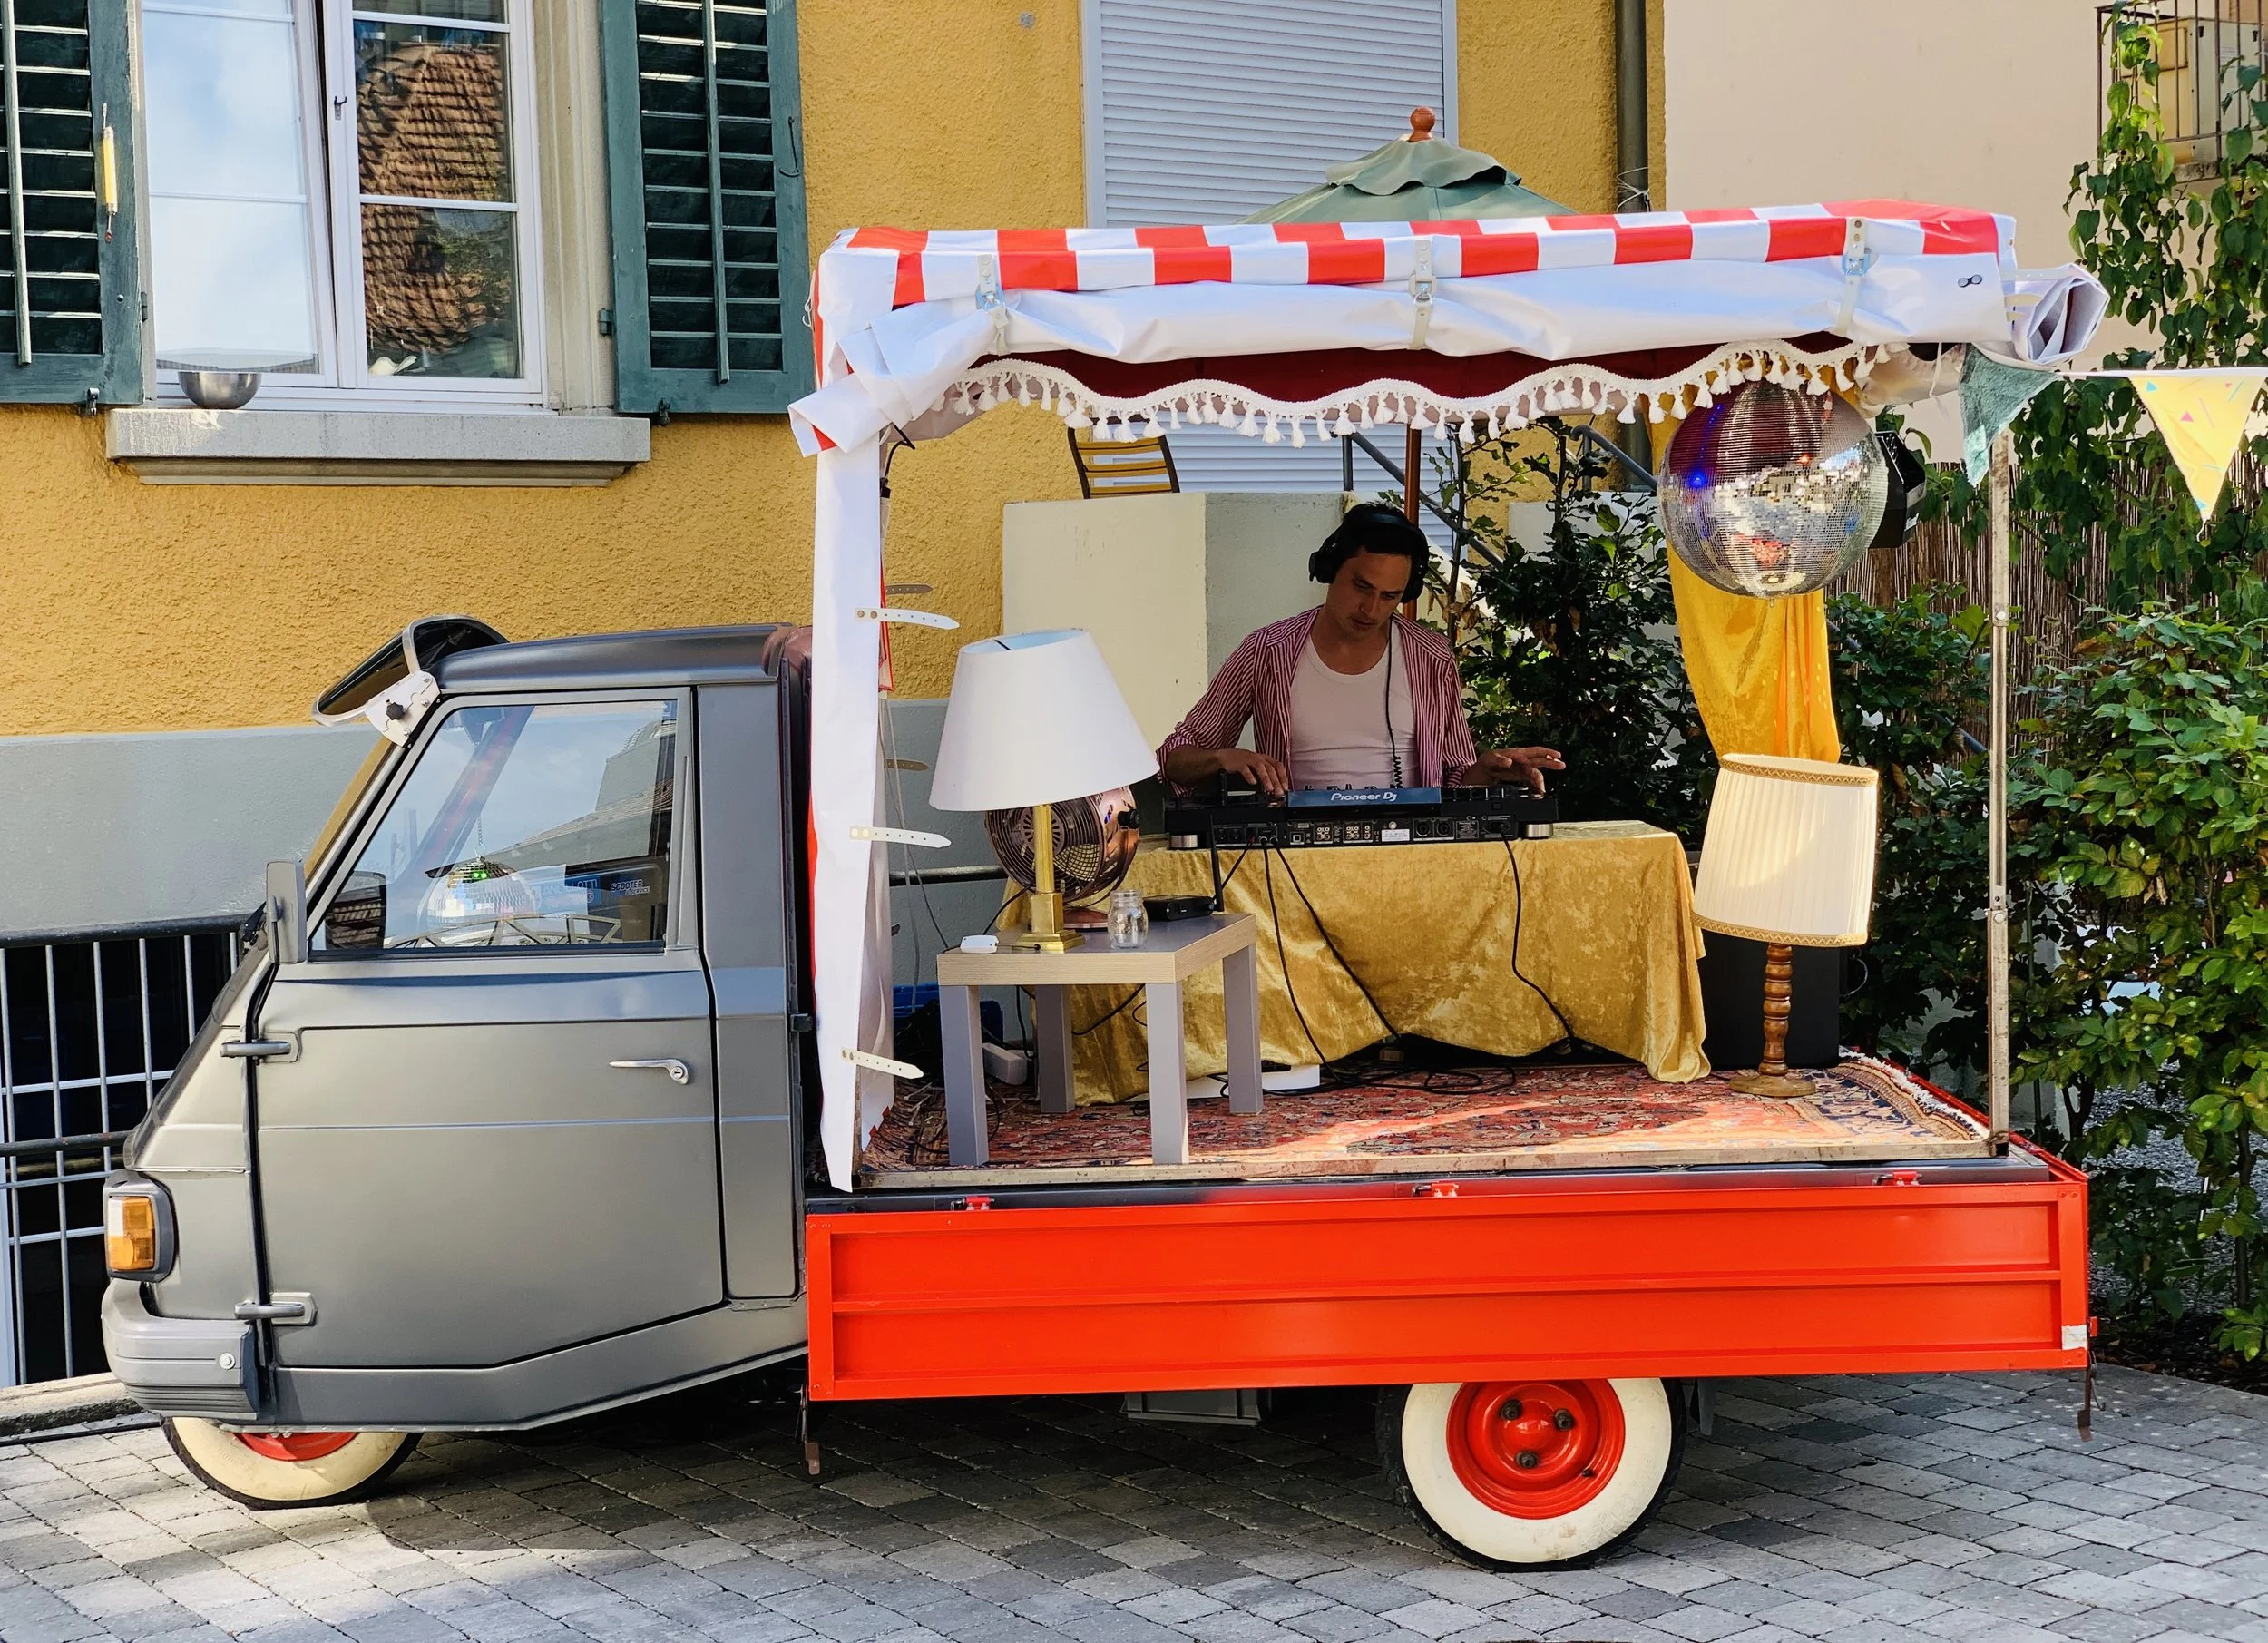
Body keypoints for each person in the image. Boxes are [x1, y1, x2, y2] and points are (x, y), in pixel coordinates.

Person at [1158, 502, 1566, 797]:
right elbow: (1173, 759)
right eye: (1362, 587)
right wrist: (1221, 758)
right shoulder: (1267, 651)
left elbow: (1457, 779)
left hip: (1412, 857)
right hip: (1297, 861)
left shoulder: (1431, 657)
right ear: (1330, 569)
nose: (1371, 609)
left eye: (1390, 596)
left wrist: (1494, 770)